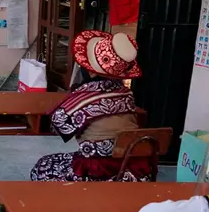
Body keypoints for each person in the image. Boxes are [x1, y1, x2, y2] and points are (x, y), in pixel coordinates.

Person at [30, 30, 153, 182]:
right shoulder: (127, 95)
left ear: (90, 71)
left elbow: (57, 127)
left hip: (96, 171)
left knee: (42, 166)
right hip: (132, 169)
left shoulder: (84, 96)